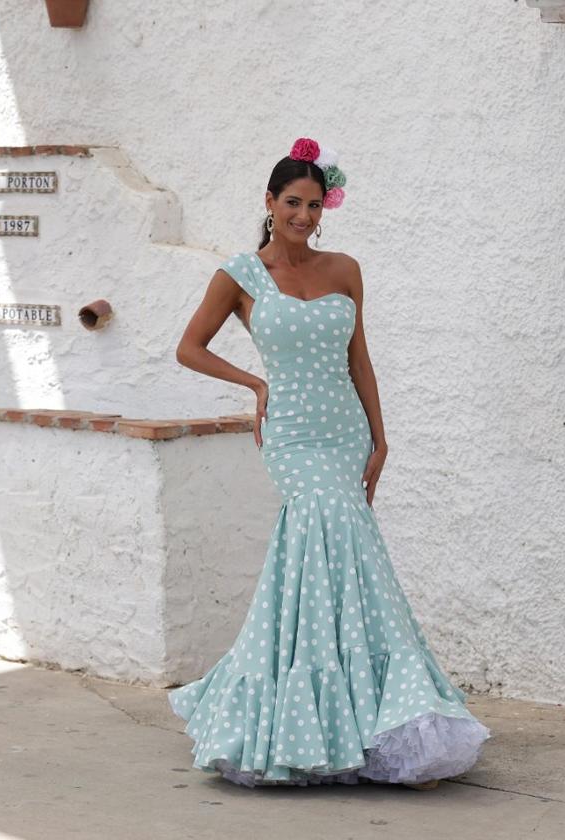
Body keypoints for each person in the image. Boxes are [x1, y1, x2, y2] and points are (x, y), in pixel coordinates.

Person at [168, 139, 489, 788]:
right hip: (290, 436)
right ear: (269, 202)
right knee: (326, 540)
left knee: (345, 558)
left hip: (343, 433)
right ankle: (321, 719)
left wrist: (380, 435)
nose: (305, 216)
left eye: (315, 205)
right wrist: (255, 386)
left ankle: (378, 721)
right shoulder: (240, 275)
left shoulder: (344, 268)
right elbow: (189, 348)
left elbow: (359, 359)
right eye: (293, 203)